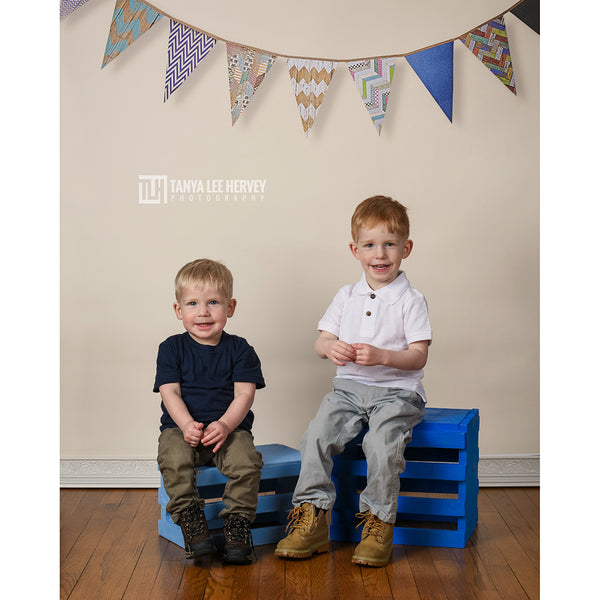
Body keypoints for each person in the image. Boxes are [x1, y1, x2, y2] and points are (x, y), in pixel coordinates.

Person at [275, 196, 432, 567]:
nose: (380, 254)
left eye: (390, 244)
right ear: (355, 250)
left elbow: (419, 356)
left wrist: (383, 356)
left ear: (406, 248)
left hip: (398, 393)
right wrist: (332, 349)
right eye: (370, 245)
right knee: (315, 435)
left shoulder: (411, 300)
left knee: (380, 443)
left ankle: (379, 523)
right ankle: (311, 518)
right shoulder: (346, 296)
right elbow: (321, 342)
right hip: (347, 390)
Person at [154, 258, 265, 564]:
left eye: (213, 302)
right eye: (192, 303)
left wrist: (227, 425)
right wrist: (187, 424)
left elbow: (245, 393)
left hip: (228, 431)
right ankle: (191, 519)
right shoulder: (171, 348)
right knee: (173, 457)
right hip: (182, 429)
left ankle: (237, 524)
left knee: (247, 461)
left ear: (230, 307)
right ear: (179, 310)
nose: (202, 312)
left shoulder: (241, 349)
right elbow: (170, 391)